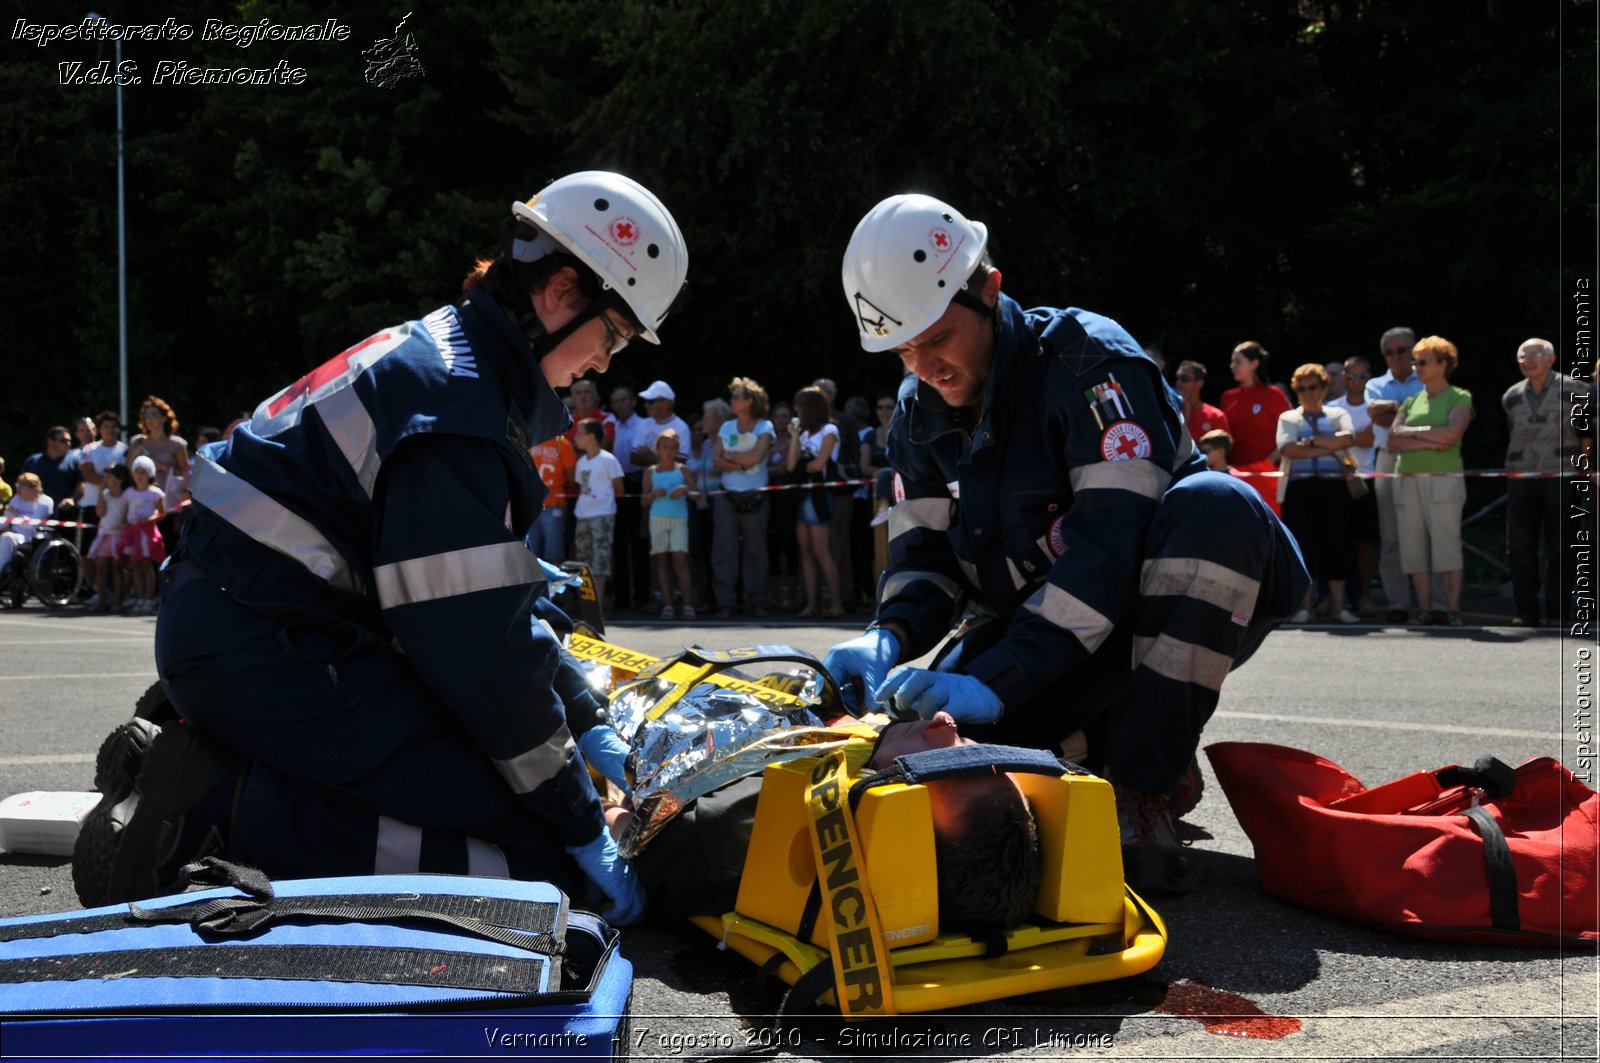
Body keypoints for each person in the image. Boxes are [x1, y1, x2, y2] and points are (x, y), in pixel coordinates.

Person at [74, 172, 688, 920]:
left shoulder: (447, 362)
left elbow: (490, 607)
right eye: (615, 333)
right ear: (563, 291)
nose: (604, 362)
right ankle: (217, 809)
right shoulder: (459, 413)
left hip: (254, 631)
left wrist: (584, 714)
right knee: (540, 862)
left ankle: (194, 760)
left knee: (502, 783)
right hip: (271, 649)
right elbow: (481, 660)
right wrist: (581, 821)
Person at [823, 193, 1307, 894]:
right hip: (1043, 616)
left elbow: (1108, 553)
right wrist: (890, 634)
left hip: (1163, 592)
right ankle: (1113, 745)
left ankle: (1143, 783)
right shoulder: (918, 410)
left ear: (989, 290)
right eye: (903, 349)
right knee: (944, 740)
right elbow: (924, 555)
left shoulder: (1091, 365)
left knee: (1216, 504)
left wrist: (997, 678)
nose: (924, 365)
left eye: (935, 337)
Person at [617, 711, 1042, 931]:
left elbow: (620, 822)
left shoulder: (723, 835)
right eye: (972, 748)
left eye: (937, 763)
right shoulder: (868, 762)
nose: (945, 724)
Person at [1386, 335, 1474, 626]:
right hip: (1408, 482)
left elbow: (1452, 435)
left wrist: (1415, 434)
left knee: (1446, 545)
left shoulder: (1460, 397)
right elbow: (1393, 440)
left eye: (1422, 361)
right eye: (1415, 361)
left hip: (1442, 482)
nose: (1415, 367)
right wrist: (1430, 436)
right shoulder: (1411, 400)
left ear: (1443, 364)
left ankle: (1451, 609)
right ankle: (1424, 609)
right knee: (1414, 548)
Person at [1503, 338, 1591, 626]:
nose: (1529, 360)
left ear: (1552, 359)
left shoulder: (1576, 390)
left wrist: (1586, 470)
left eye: (1536, 355)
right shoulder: (1511, 396)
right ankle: (1526, 611)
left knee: (1561, 546)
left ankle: (1558, 612)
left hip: (1562, 475)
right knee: (1520, 545)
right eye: (1522, 356)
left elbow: (1585, 435)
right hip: (1521, 477)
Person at [1276, 364, 1357, 624]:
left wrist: (1309, 443)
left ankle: (1339, 607)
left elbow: (1347, 438)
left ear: (1323, 388)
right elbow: (1287, 449)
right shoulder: (1289, 418)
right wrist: (1326, 445)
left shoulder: (1337, 414)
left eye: (1313, 387)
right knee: (1303, 546)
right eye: (1301, 388)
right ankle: (1304, 607)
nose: (1308, 393)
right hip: (1299, 488)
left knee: (1336, 545)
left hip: (1334, 487)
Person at [1365, 327, 1427, 621]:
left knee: (1427, 531)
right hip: (1388, 458)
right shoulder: (1375, 384)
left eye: (1401, 350)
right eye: (1389, 352)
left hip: (1424, 457)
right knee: (1391, 535)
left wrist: (1395, 411)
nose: (1396, 357)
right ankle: (1398, 603)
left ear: (1413, 351)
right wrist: (1415, 410)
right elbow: (1376, 416)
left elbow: (1435, 414)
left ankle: (1434, 603)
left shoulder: (1429, 379)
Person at [712, 377, 775, 618]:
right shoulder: (726, 427)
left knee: (756, 550)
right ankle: (725, 602)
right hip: (726, 496)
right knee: (724, 549)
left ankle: (757, 600)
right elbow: (718, 460)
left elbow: (756, 458)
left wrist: (731, 456)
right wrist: (740, 461)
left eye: (736, 396)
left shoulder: (765, 427)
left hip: (755, 496)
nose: (732, 401)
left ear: (749, 401)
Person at [627, 380, 691, 614]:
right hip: (652, 499)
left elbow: (680, 462)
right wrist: (660, 459)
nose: (648, 406)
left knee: (680, 557)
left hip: (677, 506)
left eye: (652, 401)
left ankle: (685, 601)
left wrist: (651, 455)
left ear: (666, 403)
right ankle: (661, 598)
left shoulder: (681, 426)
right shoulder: (644, 424)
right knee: (657, 553)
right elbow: (634, 457)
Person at [786, 385, 846, 618]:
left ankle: (836, 603)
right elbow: (792, 466)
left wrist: (803, 465)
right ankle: (812, 604)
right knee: (806, 551)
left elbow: (818, 465)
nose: (796, 410)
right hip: (802, 495)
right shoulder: (803, 434)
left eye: (799, 406)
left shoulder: (830, 430)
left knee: (822, 550)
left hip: (820, 495)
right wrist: (793, 437)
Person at [1328, 357, 1379, 613]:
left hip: (1365, 481)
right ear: (1343, 377)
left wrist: (1342, 438)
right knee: (1335, 541)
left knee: (1364, 543)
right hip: (1336, 481)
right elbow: (1332, 442)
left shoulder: (1374, 407)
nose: (1356, 382)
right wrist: (1351, 438)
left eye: (1362, 376)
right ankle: (1331, 597)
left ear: (1368, 377)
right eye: (1351, 376)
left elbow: (1371, 439)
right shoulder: (1332, 407)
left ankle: (1365, 595)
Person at [643, 428, 699, 620]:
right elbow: (644, 500)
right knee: (661, 562)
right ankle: (667, 604)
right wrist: (652, 495)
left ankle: (688, 605)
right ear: (657, 449)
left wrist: (684, 489)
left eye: (673, 448)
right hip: (657, 518)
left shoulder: (682, 470)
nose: (669, 451)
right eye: (665, 447)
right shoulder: (650, 472)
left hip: (678, 519)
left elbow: (697, 494)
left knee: (680, 560)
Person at [573, 418, 625, 613]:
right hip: (583, 514)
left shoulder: (608, 460)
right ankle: (587, 604)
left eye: (579, 433)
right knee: (583, 559)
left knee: (600, 558)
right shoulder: (581, 462)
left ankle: (599, 604)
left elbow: (619, 488)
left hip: (603, 514)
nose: (576, 437)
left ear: (591, 436)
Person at [126, 396, 190, 546]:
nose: (150, 419)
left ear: (163, 418)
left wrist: (161, 466)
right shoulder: (137, 442)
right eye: (146, 415)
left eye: (154, 415)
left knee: (166, 547)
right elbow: (127, 469)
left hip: (168, 506)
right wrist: (134, 457)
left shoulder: (176, 444)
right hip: (141, 505)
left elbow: (187, 473)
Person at [1218, 342, 1291, 468]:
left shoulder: (1274, 395)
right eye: (1232, 361)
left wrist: (1267, 463)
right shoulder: (1228, 397)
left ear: (1254, 364)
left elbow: (1290, 433)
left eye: (1238, 362)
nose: (1232, 366)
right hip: (1235, 472)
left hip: (1267, 473)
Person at [607, 384, 647, 611]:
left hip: (637, 482)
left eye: (624, 400)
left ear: (633, 402)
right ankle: (622, 597)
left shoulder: (642, 424)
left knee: (639, 543)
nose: (620, 405)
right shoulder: (613, 426)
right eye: (616, 401)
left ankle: (642, 596)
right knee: (619, 545)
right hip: (615, 487)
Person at [117, 455, 167, 615]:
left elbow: (162, 513)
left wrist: (148, 519)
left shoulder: (154, 493)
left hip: (147, 533)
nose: (139, 476)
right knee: (136, 565)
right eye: (137, 471)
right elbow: (126, 512)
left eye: (143, 472)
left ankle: (149, 597)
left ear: (150, 474)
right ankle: (139, 597)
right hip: (133, 533)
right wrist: (126, 523)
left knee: (147, 565)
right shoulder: (129, 493)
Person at [766, 401, 801, 610]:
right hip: (769, 503)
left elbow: (789, 469)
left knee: (790, 549)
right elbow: (766, 469)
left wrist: (773, 470)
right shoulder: (767, 442)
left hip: (790, 502)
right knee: (772, 549)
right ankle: (775, 598)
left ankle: (791, 597)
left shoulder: (794, 442)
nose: (781, 421)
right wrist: (774, 470)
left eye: (785, 417)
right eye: (777, 417)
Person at [527, 431, 577, 563]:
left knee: (553, 551)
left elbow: (571, 479)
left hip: (553, 504)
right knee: (531, 552)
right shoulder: (530, 440)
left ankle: (556, 584)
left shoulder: (562, 444)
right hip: (532, 505)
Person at [86, 463, 130, 612]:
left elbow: (128, 516)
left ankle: (118, 600)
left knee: (117, 568)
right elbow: (100, 513)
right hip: (104, 535)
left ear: (119, 480)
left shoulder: (126, 496)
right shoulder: (105, 495)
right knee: (101, 568)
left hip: (119, 536)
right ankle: (102, 600)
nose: (105, 480)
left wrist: (125, 524)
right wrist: (100, 494)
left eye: (108, 477)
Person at [21, 426, 82, 520]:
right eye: (63, 441)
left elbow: (81, 484)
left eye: (69, 441)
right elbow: (21, 484)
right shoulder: (33, 461)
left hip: (64, 514)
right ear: (50, 441)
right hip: (33, 514)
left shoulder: (75, 462)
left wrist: (72, 499)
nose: (68, 444)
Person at [0, 472, 54, 575]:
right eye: (17, 485)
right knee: (6, 537)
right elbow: (6, 519)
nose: (18, 488)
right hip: (13, 534)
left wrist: (16, 514)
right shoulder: (16, 499)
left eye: (21, 485)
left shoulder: (45, 502)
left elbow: (32, 525)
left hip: (33, 537)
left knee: (7, 538)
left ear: (33, 488)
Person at [1173, 360, 1232, 443]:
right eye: (1177, 378)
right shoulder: (1171, 413)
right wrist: (1186, 414)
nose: (1178, 383)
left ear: (1199, 383)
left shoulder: (1215, 416)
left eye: (1184, 379)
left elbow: (1223, 449)